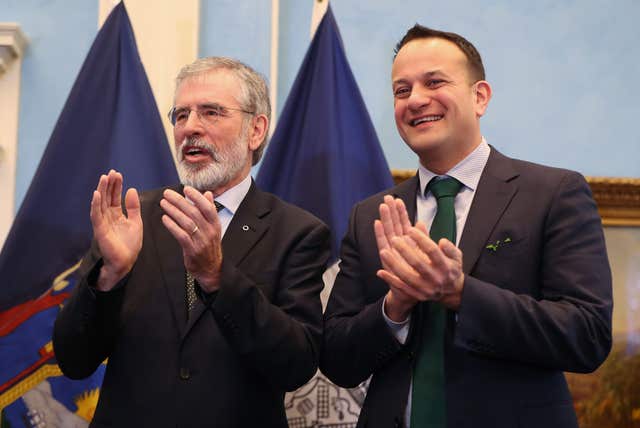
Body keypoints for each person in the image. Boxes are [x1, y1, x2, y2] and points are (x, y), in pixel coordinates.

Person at [320, 24, 612, 428]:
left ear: (480, 96)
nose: (416, 100)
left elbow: (587, 336)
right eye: (401, 91)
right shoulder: (373, 214)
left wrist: (460, 293)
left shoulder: (553, 193)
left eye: (434, 82)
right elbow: (336, 359)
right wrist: (395, 307)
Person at [53, 57, 330, 427]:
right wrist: (110, 276)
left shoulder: (297, 232)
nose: (190, 128)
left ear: (256, 130)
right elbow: (73, 360)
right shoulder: (133, 218)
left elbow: (296, 364)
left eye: (211, 112)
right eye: (180, 115)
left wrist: (217, 277)